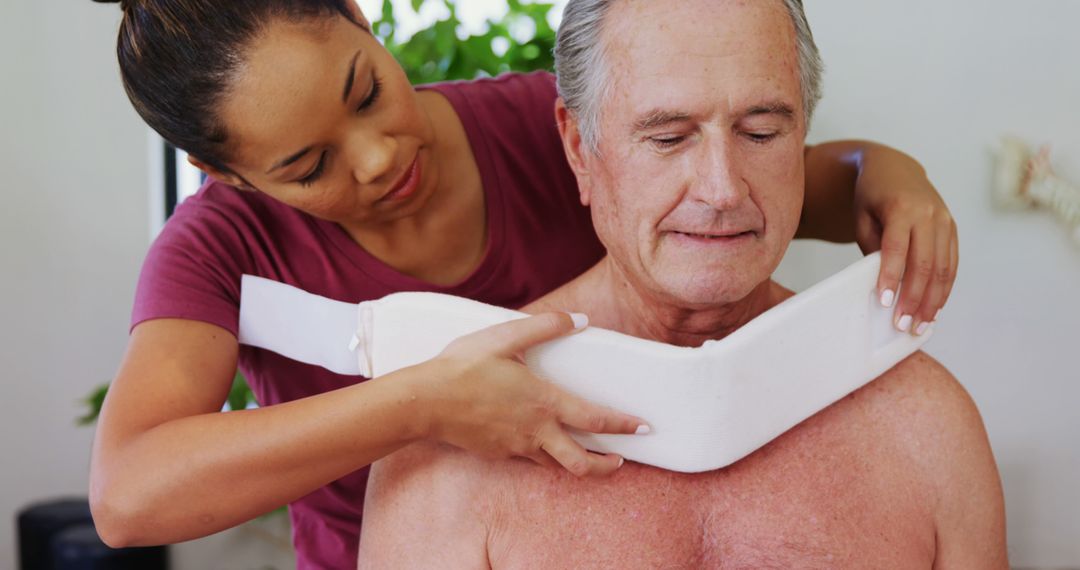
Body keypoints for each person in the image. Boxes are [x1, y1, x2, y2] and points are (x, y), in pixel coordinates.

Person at [87, 0, 960, 567]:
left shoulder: (540, 129)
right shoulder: (217, 249)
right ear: (224, 172)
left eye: (366, 93)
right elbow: (129, 496)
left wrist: (889, 172)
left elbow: (744, 190)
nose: (380, 155)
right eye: (311, 165)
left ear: (359, 17)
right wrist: (424, 405)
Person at [357, 0, 1006, 567]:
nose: (722, 190)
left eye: (761, 132)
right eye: (668, 138)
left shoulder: (926, 429)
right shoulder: (450, 453)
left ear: (803, 134)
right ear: (579, 150)